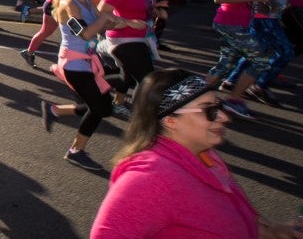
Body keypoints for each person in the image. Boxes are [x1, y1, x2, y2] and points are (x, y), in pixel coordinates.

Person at [90, 69, 302, 238]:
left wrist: (273, 232)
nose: (224, 117)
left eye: (219, 107)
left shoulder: (204, 155)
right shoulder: (151, 178)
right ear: (170, 121)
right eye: (209, 110)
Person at [41, 0, 127, 171]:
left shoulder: (86, 0)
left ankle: (55, 111)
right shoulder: (67, 4)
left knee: (103, 100)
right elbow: (85, 34)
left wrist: (122, 22)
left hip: (89, 62)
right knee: (101, 107)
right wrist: (106, 19)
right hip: (74, 65)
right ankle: (75, 151)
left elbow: (100, 22)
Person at [205, 0, 285, 119]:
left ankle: (193, 96)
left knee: (226, 64)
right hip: (229, 24)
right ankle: (234, 101)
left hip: (238, 24)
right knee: (262, 60)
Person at [224, 0, 301, 107]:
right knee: (280, 53)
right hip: (240, 20)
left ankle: (234, 87)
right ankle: (245, 90)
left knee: (257, 54)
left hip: (261, 18)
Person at [98, 0, 161, 118]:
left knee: (128, 79)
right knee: (148, 79)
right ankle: (145, 118)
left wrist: (155, 11)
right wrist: (128, 21)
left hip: (140, 37)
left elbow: (146, 6)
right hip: (122, 39)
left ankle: (116, 103)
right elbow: (101, 13)